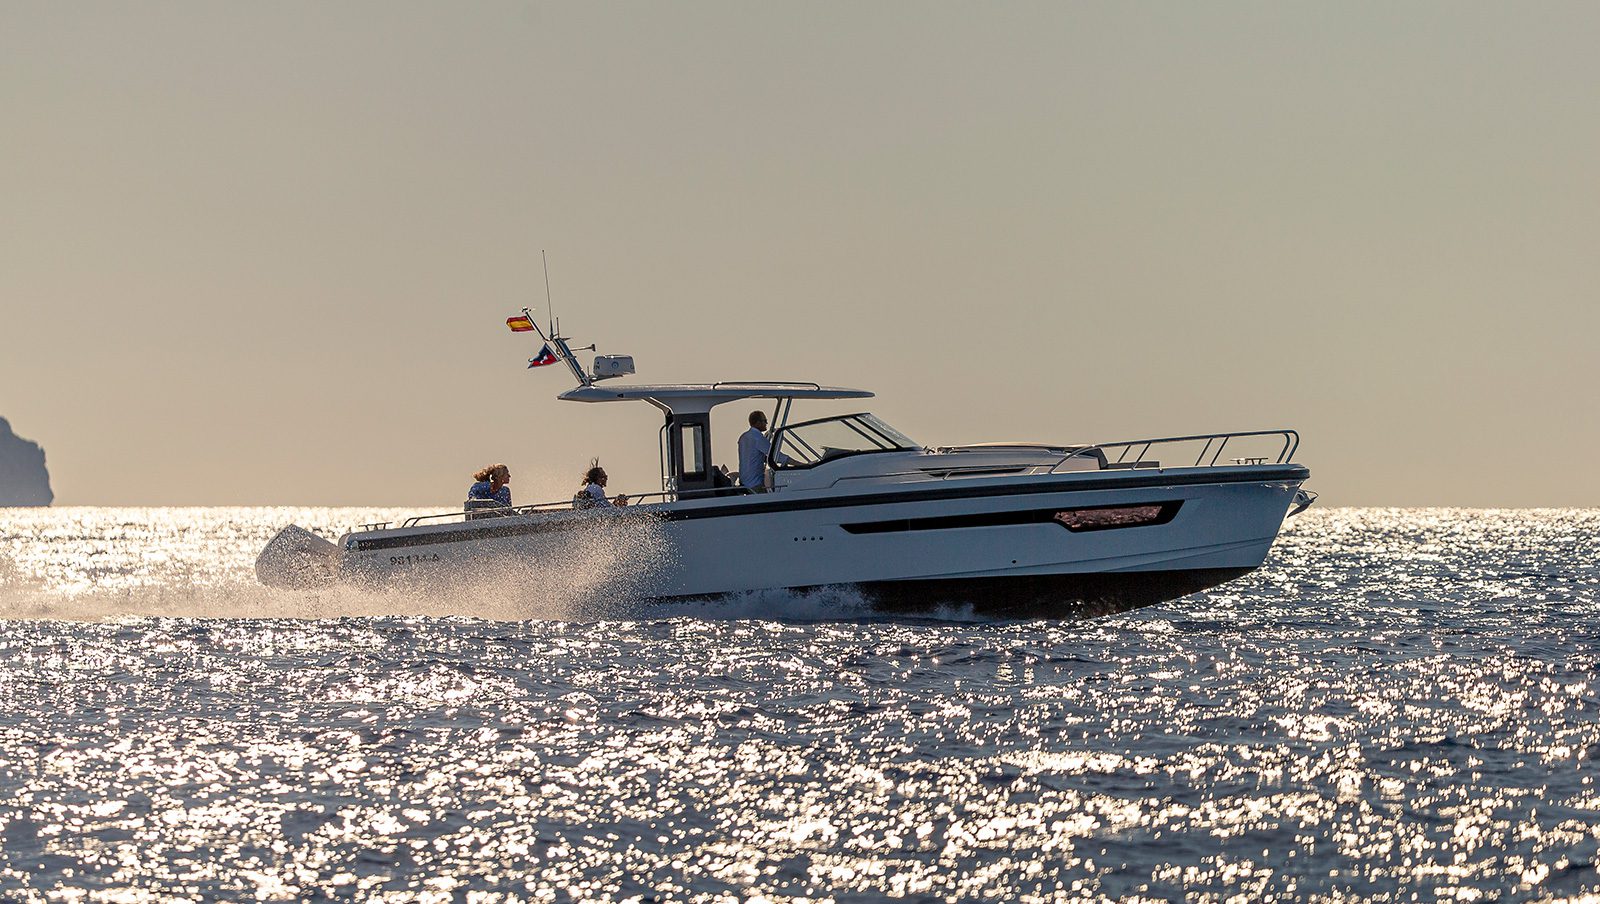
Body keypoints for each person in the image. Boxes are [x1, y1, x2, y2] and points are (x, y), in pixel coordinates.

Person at [737, 410, 787, 491]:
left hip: (744, 483)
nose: (766, 423)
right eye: (765, 421)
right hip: (755, 485)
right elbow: (778, 456)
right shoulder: (758, 438)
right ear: (758, 422)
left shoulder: (743, 437)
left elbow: (754, 456)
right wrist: (800, 464)